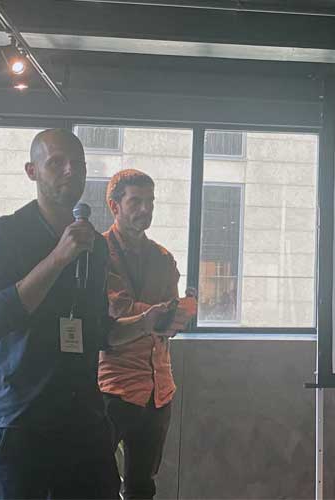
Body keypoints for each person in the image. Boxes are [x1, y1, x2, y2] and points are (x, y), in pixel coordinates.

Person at [0, 129, 172, 500]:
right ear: (32, 171)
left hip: (85, 427)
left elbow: (97, 332)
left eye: (78, 165)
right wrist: (58, 258)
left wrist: (144, 324)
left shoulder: (93, 247)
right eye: (56, 163)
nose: (69, 172)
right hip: (20, 424)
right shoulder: (0, 235)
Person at [98, 169, 197, 499]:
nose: (145, 209)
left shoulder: (163, 257)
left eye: (150, 201)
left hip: (159, 389)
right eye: (135, 201)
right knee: (98, 483)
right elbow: (116, 309)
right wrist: (163, 313)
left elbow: (169, 319)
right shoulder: (98, 251)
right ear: (114, 206)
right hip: (111, 387)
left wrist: (181, 316)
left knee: (143, 487)